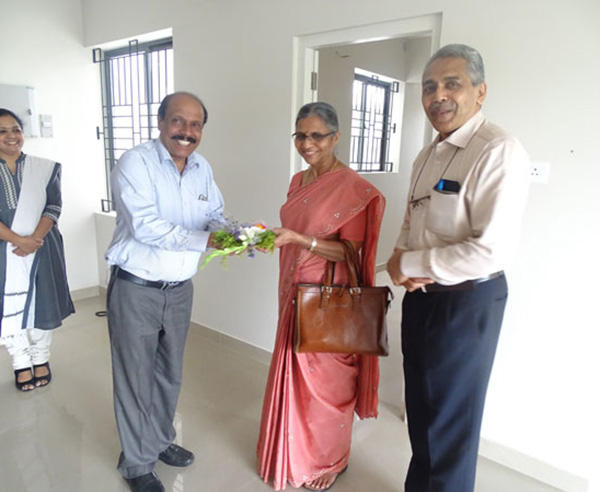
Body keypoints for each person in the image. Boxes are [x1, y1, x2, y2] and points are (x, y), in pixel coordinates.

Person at [386, 44, 530, 492]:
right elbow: (413, 218)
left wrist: (407, 261)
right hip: (423, 299)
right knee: (423, 412)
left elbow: (491, 250)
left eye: (453, 84)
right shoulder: (428, 154)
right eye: (429, 87)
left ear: (480, 92)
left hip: (467, 303)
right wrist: (400, 261)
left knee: (451, 424)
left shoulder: (497, 151)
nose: (438, 95)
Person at [257, 102, 386, 491]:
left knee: (327, 383)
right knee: (294, 377)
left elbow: (351, 252)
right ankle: (289, 452)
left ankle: (331, 459)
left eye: (316, 136)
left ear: (335, 137)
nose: (307, 143)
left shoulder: (353, 189)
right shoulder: (298, 181)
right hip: (293, 289)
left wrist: (301, 240)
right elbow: (291, 229)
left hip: (328, 297)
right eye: (300, 135)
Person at [105, 92, 225, 492]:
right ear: (160, 122)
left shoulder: (201, 167)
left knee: (168, 374)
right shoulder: (135, 162)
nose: (187, 132)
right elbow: (147, 227)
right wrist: (205, 241)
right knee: (135, 377)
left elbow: (214, 216)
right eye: (178, 121)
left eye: (195, 125)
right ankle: (136, 463)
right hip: (136, 287)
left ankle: (158, 441)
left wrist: (238, 234)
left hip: (179, 290)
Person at [0, 108, 74, 392]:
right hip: (5, 251)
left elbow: (53, 206)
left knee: (42, 303)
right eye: (3, 131)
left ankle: (41, 358)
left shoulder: (44, 168)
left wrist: (33, 240)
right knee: (10, 307)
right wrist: (18, 240)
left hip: (43, 247)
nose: (11, 136)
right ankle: (20, 361)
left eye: (16, 129)